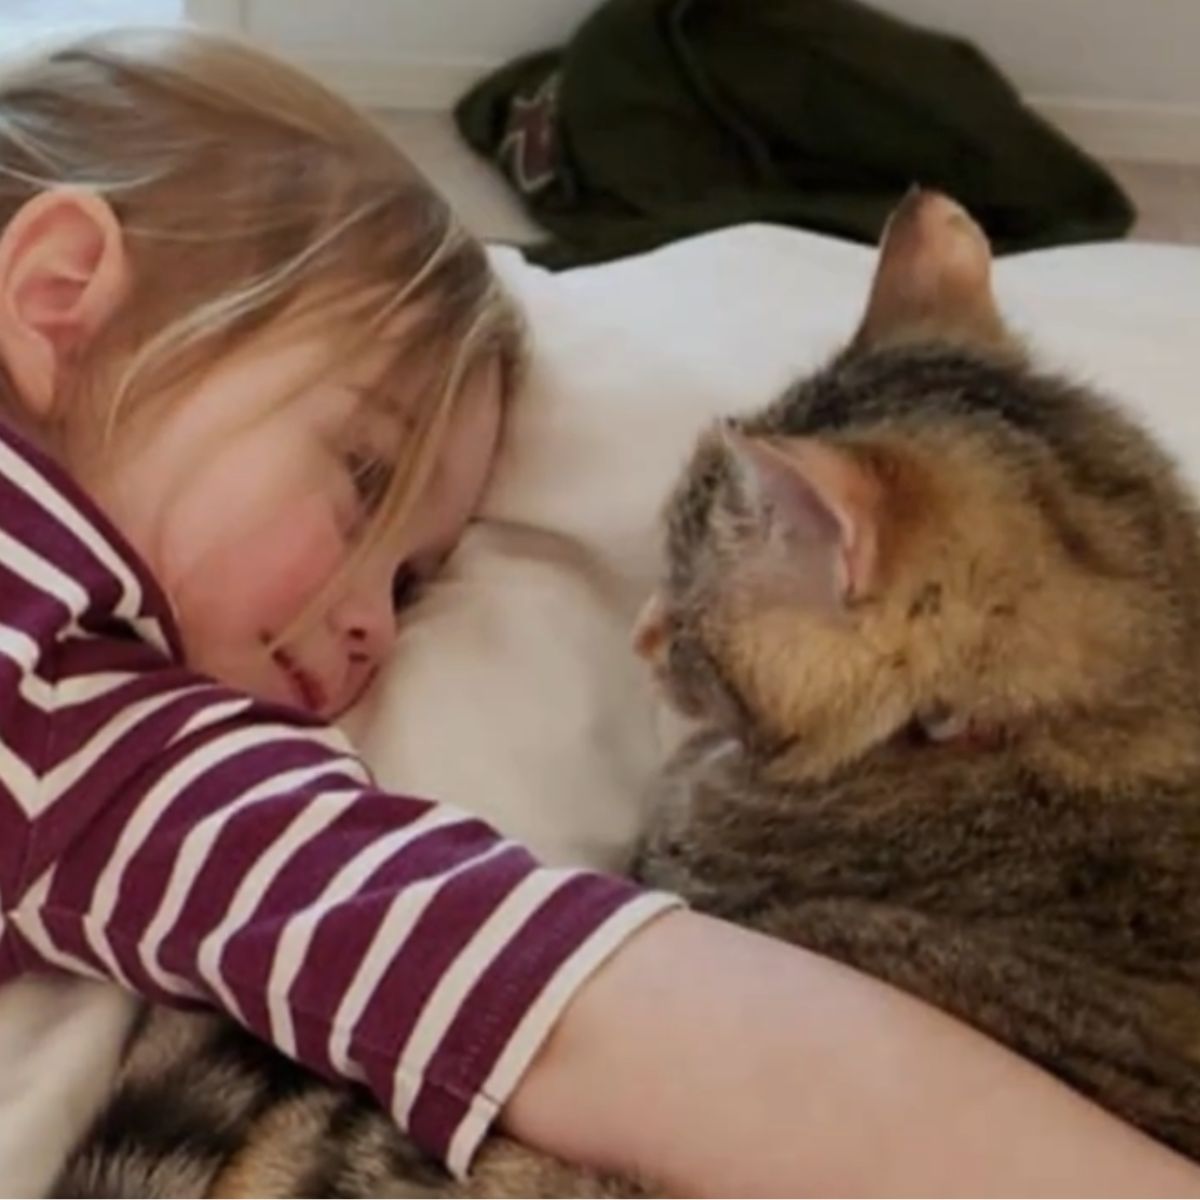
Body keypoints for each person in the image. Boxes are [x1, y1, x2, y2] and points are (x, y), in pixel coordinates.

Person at [0, 25, 1194, 1197]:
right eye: (362, 476)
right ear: (56, 299)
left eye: (410, 584)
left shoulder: (98, 742)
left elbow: (568, 994)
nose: (373, 624)